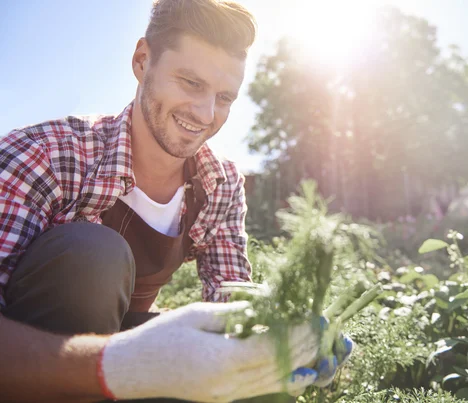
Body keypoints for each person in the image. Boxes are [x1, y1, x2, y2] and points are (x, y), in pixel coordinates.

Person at [0, 0, 351, 401]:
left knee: (262, 378)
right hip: (31, 374)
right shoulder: (43, 154)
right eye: (191, 83)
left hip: (127, 356)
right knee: (93, 253)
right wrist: (124, 362)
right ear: (142, 60)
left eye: (224, 98)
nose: (205, 114)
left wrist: (284, 333)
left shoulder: (219, 183)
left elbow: (229, 299)